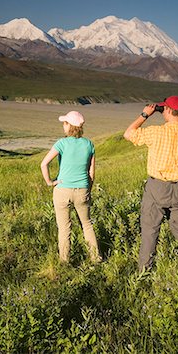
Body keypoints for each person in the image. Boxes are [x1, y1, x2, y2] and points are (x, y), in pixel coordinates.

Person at [124, 96, 178, 271]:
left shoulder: (157, 132)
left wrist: (145, 114)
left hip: (157, 187)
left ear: (166, 110)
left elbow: (128, 134)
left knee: (150, 229)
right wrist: (174, 117)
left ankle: (145, 270)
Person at [40, 110, 101, 264]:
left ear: (69, 126)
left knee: (65, 228)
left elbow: (44, 163)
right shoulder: (89, 144)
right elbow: (91, 172)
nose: (63, 126)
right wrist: (88, 188)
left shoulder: (61, 143)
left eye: (65, 123)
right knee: (87, 225)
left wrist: (50, 182)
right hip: (82, 189)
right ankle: (95, 258)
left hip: (62, 190)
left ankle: (65, 261)